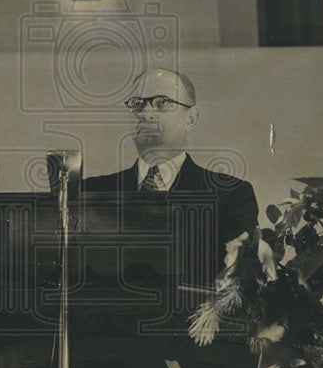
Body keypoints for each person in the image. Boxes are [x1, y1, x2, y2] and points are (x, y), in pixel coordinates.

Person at [82, 68, 259, 267]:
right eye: (137, 105)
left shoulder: (231, 194)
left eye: (161, 103)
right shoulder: (90, 193)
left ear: (190, 119)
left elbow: (234, 282)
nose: (146, 114)